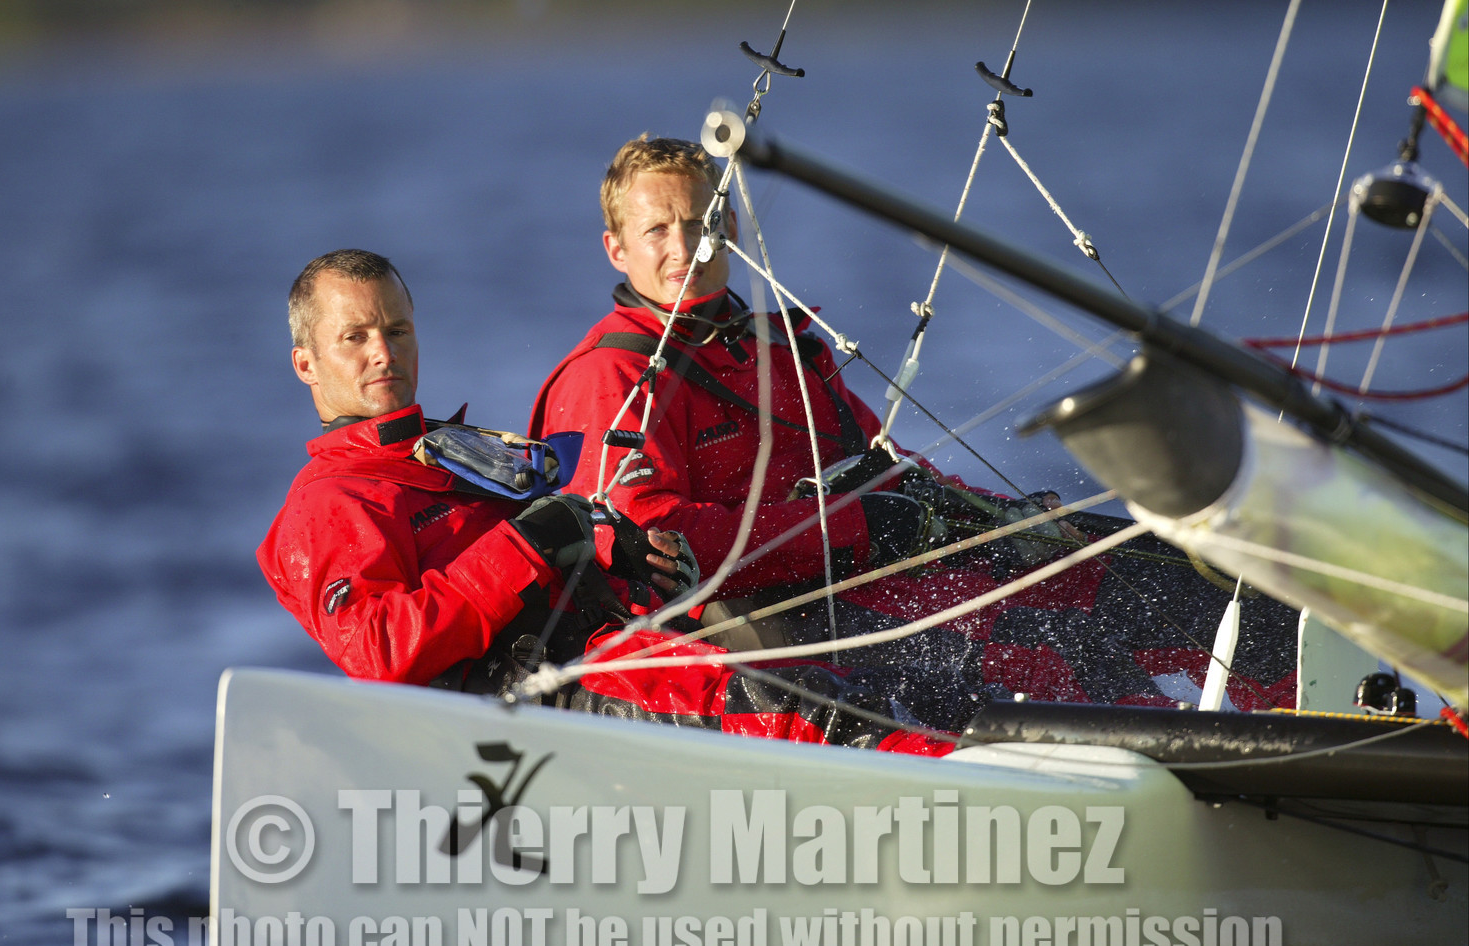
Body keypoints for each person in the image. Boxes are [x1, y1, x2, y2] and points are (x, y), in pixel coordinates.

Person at [529, 137, 1300, 712]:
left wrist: (1002, 517)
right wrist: (855, 527)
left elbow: (881, 463)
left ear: (728, 221)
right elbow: (655, 546)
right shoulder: (608, 379)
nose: (686, 246)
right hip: (758, 624)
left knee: (1139, 570)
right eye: (658, 230)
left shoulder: (780, 348)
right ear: (616, 249)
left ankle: (1306, 705)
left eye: (700, 220)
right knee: (1051, 644)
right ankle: (1185, 752)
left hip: (860, 573)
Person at [255, 248, 950, 754]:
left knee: (872, 687)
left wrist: (622, 554)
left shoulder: (450, 454)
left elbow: (548, 550)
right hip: (529, 708)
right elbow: (379, 650)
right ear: (305, 362)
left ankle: (969, 764)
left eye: (397, 330)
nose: (382, 352)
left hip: (611, 656)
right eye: (355, 337)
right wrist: (529, 541)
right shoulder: (329, 502)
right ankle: (958, 809)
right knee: (811, 714)